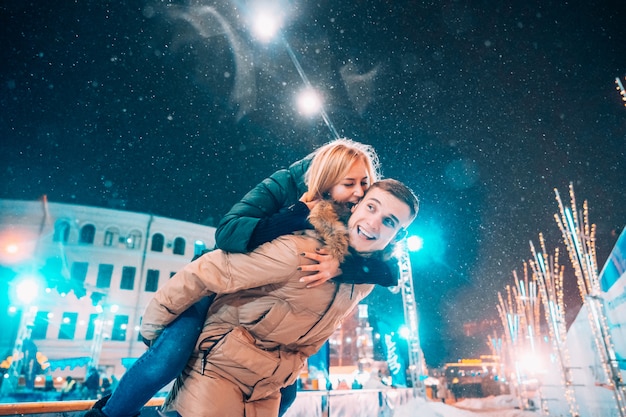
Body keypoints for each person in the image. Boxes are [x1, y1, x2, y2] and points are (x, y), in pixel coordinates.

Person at [85, 139, 399, 417]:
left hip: (257, 322)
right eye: (350, 182)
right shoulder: (286, 186)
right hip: (215, 289)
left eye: (365, 183)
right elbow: (228, 233)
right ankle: (109, 414)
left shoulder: (351, 213)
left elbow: (385, 266)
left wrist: (341, 265)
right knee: (168, 356)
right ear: (328, 177)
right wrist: (295, 214)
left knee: (286, 391)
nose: (359, 192)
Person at [140, 179, 419, 417]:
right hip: (217, 374)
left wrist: (290, 374)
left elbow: (315, 334)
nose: (373, 223)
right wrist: (153, 329)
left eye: (389, 221)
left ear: (397, 235)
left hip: (268, 388)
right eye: (371, 207)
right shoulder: (303, 250)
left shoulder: (362, 283)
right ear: (356, 205)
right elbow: (209, 269)